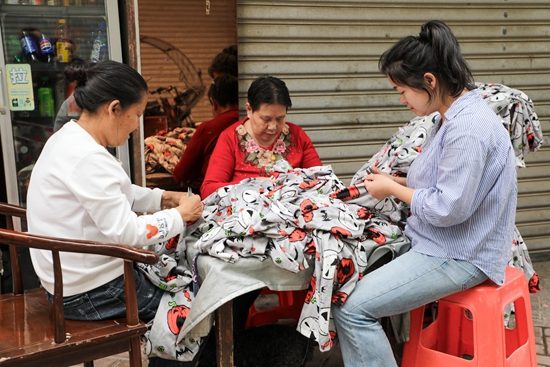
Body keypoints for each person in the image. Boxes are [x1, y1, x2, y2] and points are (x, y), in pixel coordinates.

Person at [331, 20, 518, 367]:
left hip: (461, 253)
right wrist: (395, 184)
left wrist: (391, 189)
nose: (402, 99)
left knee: (352, 309)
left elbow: (448, 208)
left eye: (402, 91)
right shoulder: (448, 118)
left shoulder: (467, 129)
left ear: (429, 81)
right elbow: (441, 189)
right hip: (442, 242)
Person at [25, 60, 204, 366]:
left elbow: (115, 192)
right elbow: (125, 232)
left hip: (70, 281)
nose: (137, 126)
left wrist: (162, 198)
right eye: (136, 115)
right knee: (190, 310)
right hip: (89, 293)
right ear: (114, 108)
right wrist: (180, 216)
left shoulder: (69, 137)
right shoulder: (87, 158)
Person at [201, 75, 322, 332]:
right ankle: (228, 343)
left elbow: (319, 181)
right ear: (249, 110)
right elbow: (210, 189)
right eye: (265, 119)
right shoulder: (231, 139)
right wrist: (255, 195)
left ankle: (307, 334)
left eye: (280, 119)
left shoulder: (297, 137)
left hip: (289, 229)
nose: (273, 126)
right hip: (247, 229)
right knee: (236, 286)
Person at [172, 74, 240, 192]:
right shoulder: (251, 124)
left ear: (213, 103)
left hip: (217, 193)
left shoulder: (209, 128)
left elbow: (181, 174)